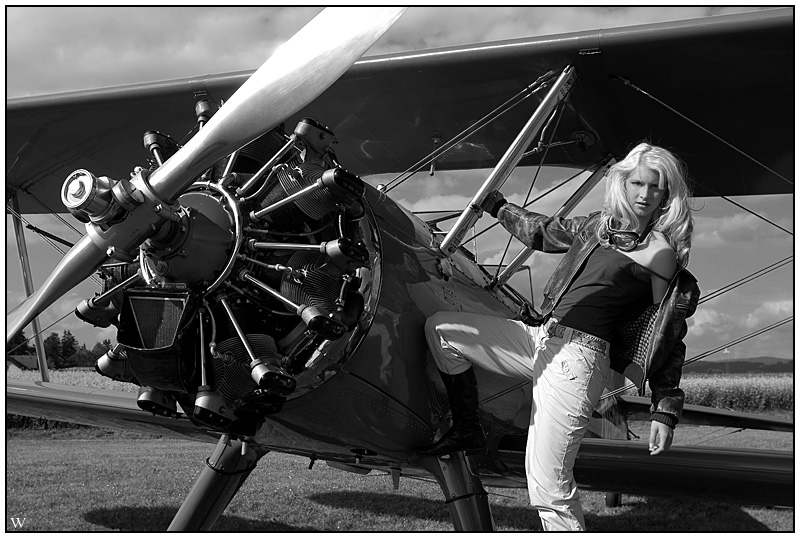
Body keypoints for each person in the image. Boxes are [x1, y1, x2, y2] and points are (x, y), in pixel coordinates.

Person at [415, 142, 700, 531]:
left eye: (656, 188)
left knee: (548, 485)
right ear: (623, 183)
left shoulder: (659, 253)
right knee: (442, 330)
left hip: (579, 360)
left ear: (667, 196)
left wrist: (664, 409)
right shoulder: (598, 226)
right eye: (638, 183)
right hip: (540, 338)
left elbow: (667, 335)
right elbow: (543, 233)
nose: (644, 195)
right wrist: (498, 205)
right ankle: (467, 428)